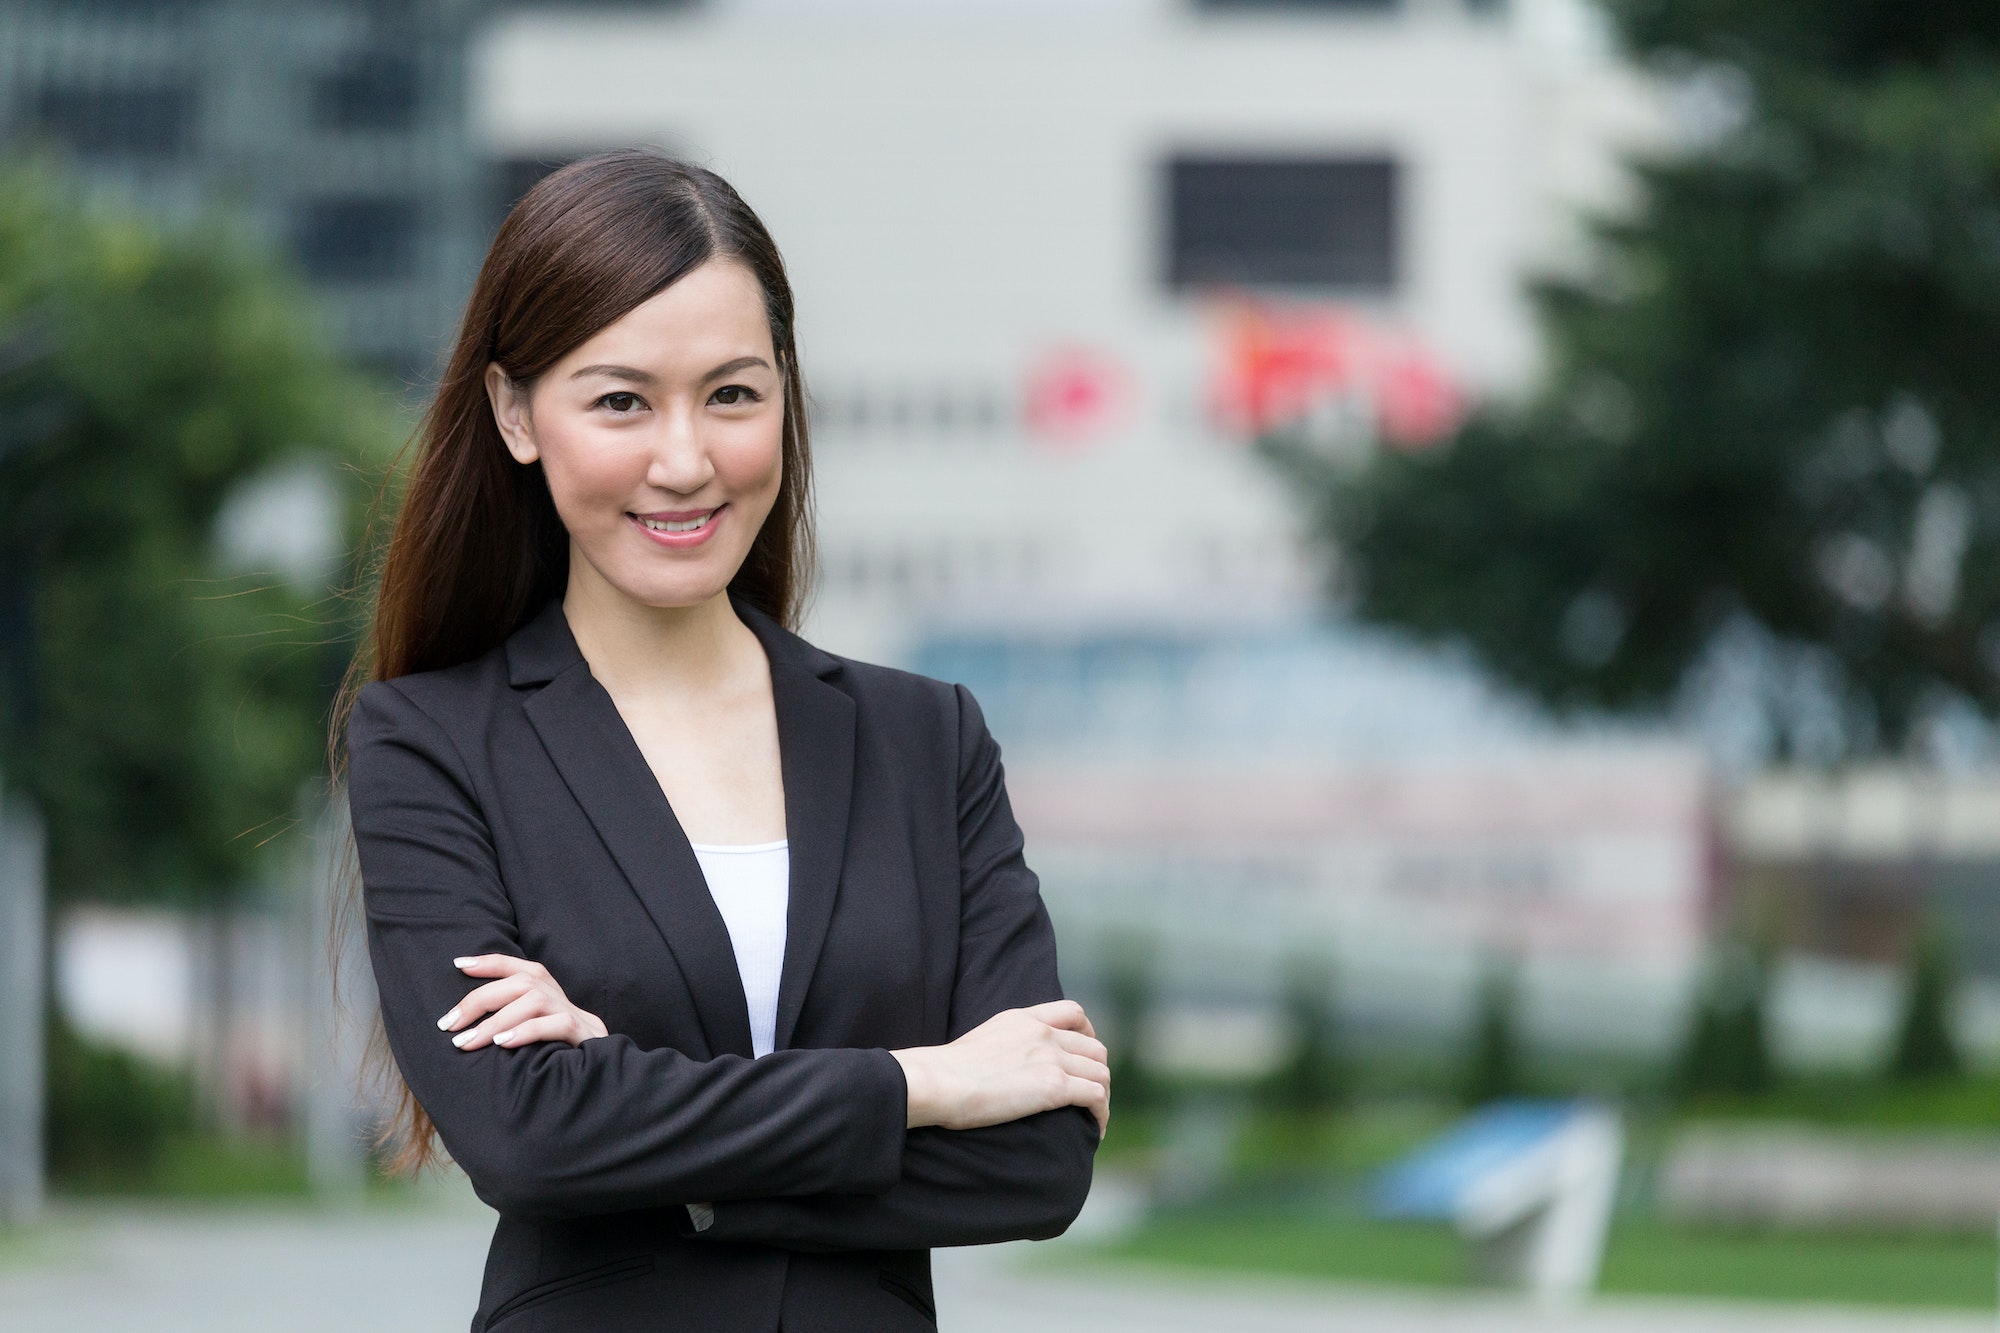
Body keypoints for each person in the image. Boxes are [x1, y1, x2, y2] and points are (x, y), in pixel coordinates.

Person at [336, 150, 1108, 1332]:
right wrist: (924, 1082)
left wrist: (656, 1147)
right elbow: (523, 1136)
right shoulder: (434, 742)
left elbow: (1038, 1162)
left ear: (785, 399)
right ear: (513, 413)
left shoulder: (923, 740)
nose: (685, 459)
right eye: (620, 400)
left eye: (733, 394)